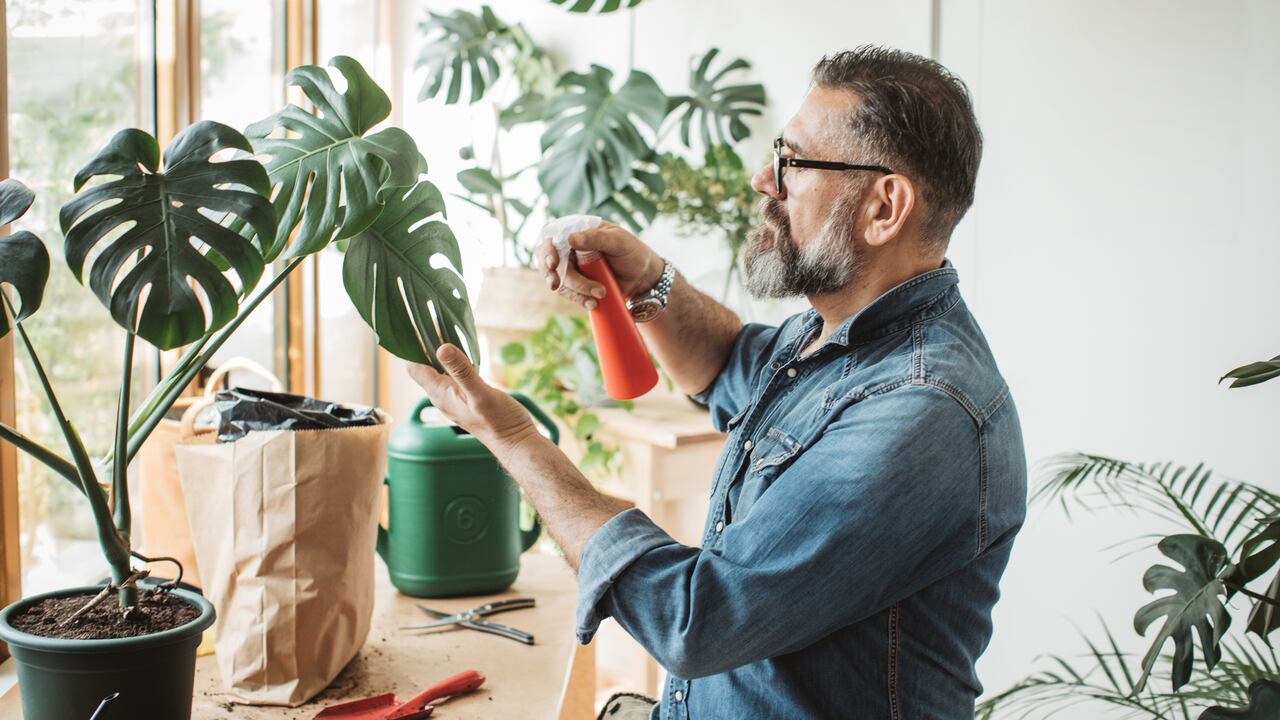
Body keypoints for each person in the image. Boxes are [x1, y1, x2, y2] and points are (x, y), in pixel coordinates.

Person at [408, 45, 1026, 720]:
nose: (765, 179)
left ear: (884, 207)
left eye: (794, 161)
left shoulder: (920, 412)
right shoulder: (833, 336)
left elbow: (696, 618)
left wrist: (513, 437)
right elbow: (730, 362)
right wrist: (649, 281)